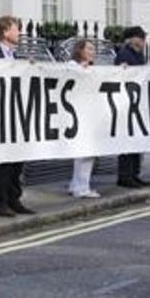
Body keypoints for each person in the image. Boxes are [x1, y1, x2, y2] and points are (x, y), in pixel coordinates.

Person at [0, 16, 35, 218]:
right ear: (5, 32)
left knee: (17, 159)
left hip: (16, 113)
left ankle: (15, 199)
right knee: (2, 160)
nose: (19, 33)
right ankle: (0, 202)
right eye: (16, 29)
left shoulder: (15, 56)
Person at [114, 26, 150, 189]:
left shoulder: (139, 54)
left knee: (137, 141)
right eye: (141, 38)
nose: (143, 41)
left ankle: (134, 174)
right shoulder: (124, 54)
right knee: (127, 141)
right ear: (133, 39)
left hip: (138, 102)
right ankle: (125, 175)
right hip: (126, 103)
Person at [66, 39, 100, 199]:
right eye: (90, 49)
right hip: (79, 114)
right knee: (85, 151)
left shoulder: (91, 68)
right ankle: (82, 187)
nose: (93, 52)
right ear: (80, 51)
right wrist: (83, 70)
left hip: (89, 113)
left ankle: (76, 185)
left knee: (84, 152)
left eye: (94, 49)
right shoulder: (73, 66)